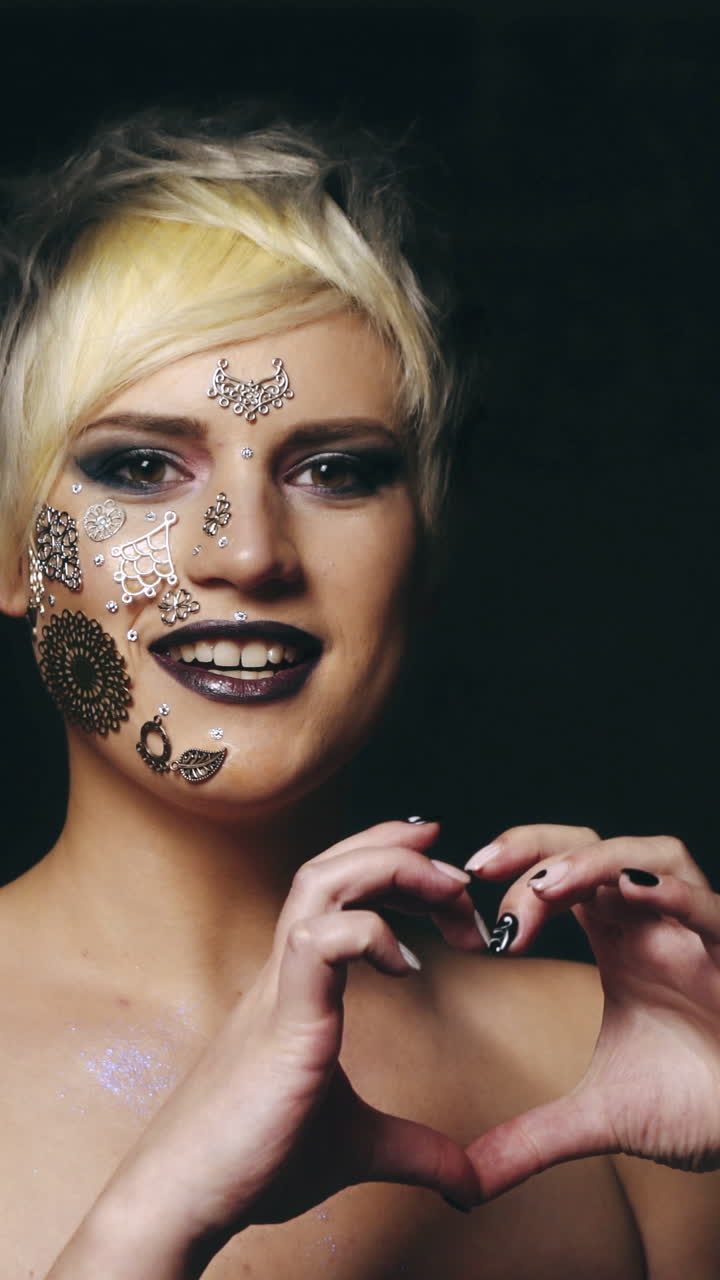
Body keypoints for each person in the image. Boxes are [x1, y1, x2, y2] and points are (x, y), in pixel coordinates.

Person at [0, 108, 718, 1280]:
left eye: (336, 470)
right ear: (11, 551)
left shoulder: (611, 1066)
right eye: (138, 466)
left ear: (424, 555)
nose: (245, 554)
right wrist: (146, 1227)